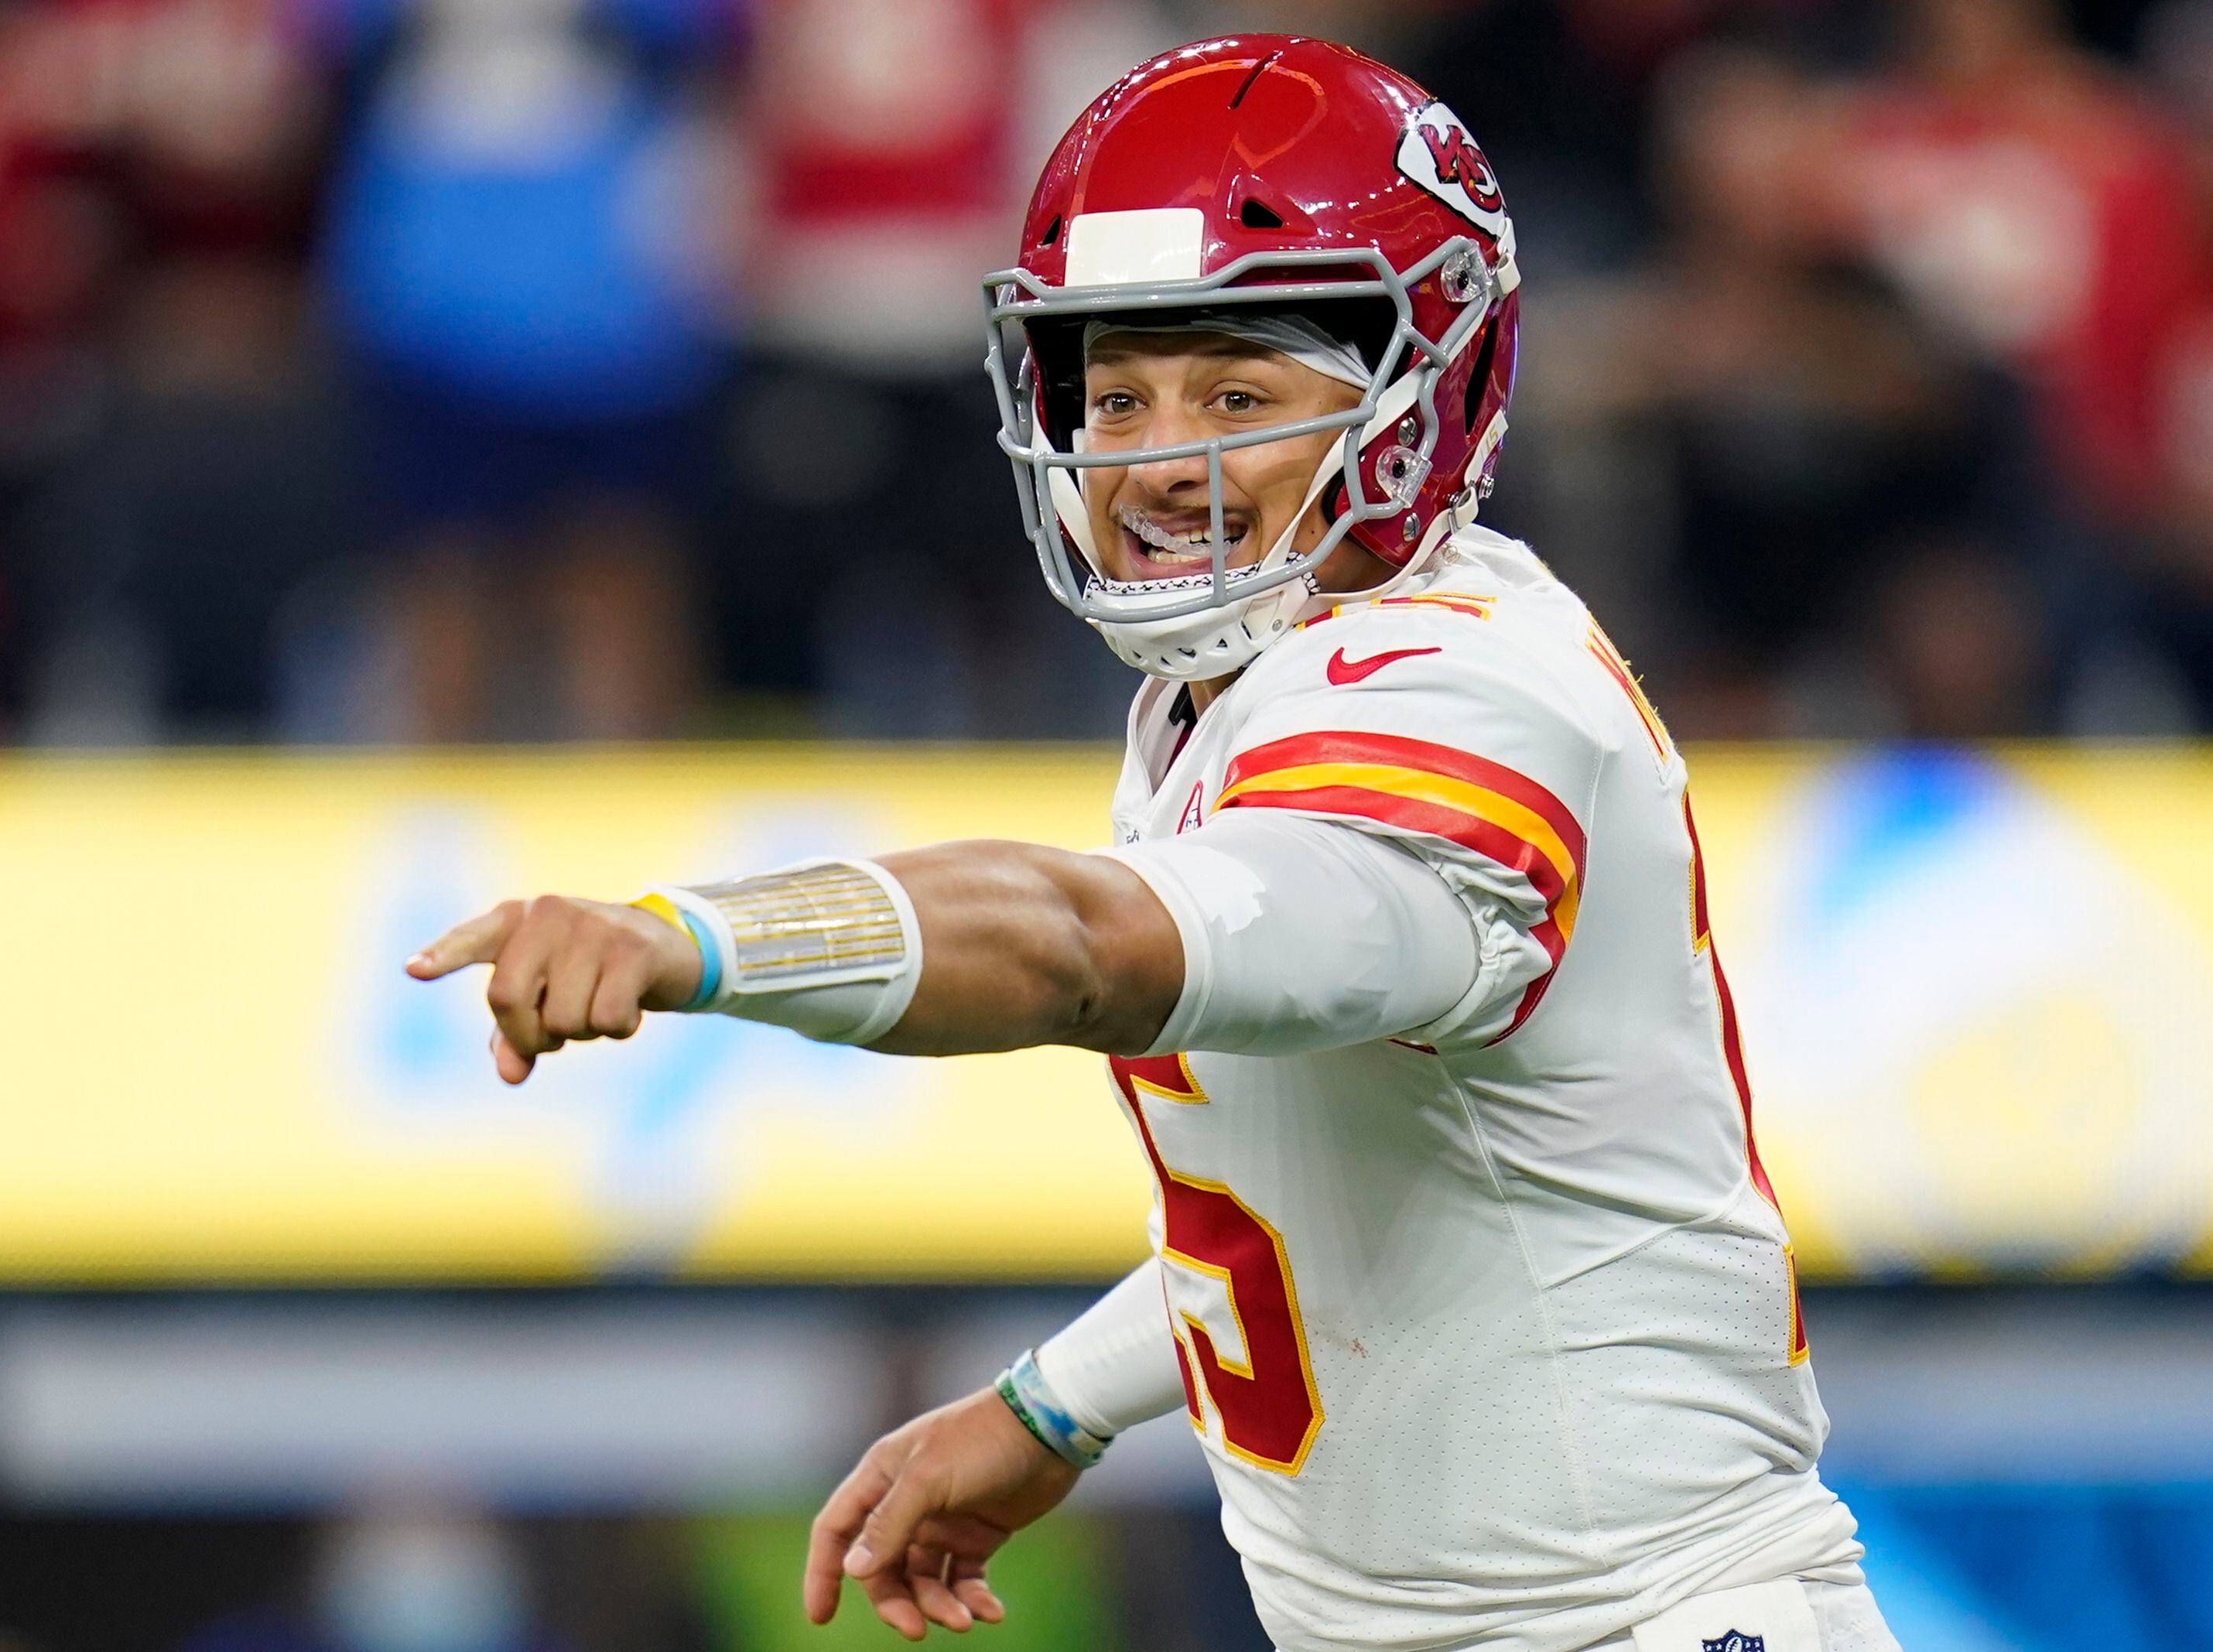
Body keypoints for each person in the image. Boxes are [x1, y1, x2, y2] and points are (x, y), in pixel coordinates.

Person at [406, 36, 1896, 1652]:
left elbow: (1081, 944)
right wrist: (1055, 1406)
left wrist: (702, 939)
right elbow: (1326, 1206)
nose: (1150, 457)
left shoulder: (1456, 685)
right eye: (1115, 394)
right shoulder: (1229, 691)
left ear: (1419, 395)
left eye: (1235, 395)